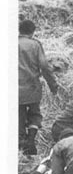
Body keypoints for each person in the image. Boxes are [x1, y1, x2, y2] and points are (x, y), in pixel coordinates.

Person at [19, 19, 58, 155]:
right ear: (32, 31)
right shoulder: (35, 45)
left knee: (19, 114)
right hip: (32, 87)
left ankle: (21, 143)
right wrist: (53, 85)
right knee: (35, 114)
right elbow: (44, 66)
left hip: (13, 89)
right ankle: (30, 141)